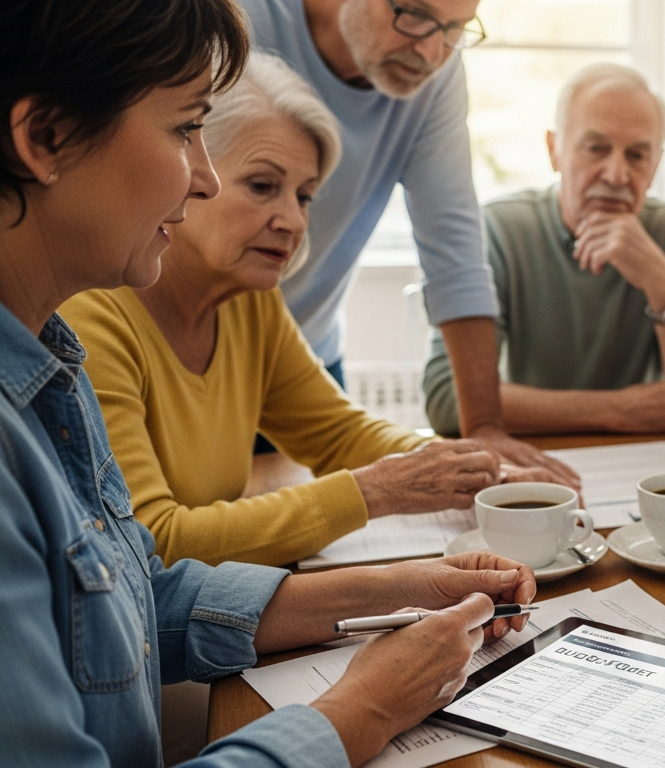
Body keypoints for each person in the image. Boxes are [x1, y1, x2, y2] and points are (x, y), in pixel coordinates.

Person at [0, 2, 537, 766]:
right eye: (185, 128)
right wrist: (366, 706)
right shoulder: (74, 351)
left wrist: (399, 586)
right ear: (45, 138)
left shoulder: (52, 362)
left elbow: (131, 596)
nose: (202, 175)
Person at [61, 52, 550, 568]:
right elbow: (153, 542)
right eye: (263, 186)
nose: (293, 221)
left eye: (305, 196)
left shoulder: (250, 301)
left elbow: (340, 434)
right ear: (191, 173)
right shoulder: (93, 316)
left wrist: (469, 469)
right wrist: (376, 491)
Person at [235, 0, 578, 486]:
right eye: (413, 15)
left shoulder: (434, 75)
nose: (433, 51)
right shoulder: (238, 21)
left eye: (457, 28)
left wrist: (483, 428)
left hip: (303, 358)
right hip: (188, 350)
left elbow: (455, 249)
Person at [422, 63, 665, 436]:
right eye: (596, 149)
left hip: (646, 460)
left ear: (656, 164)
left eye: (638, 155)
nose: (616, 175)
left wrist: (662, 282)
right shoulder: (499, 229)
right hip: (539, 456)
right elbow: (446, 400)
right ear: (554, 150)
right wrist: (621, 410)